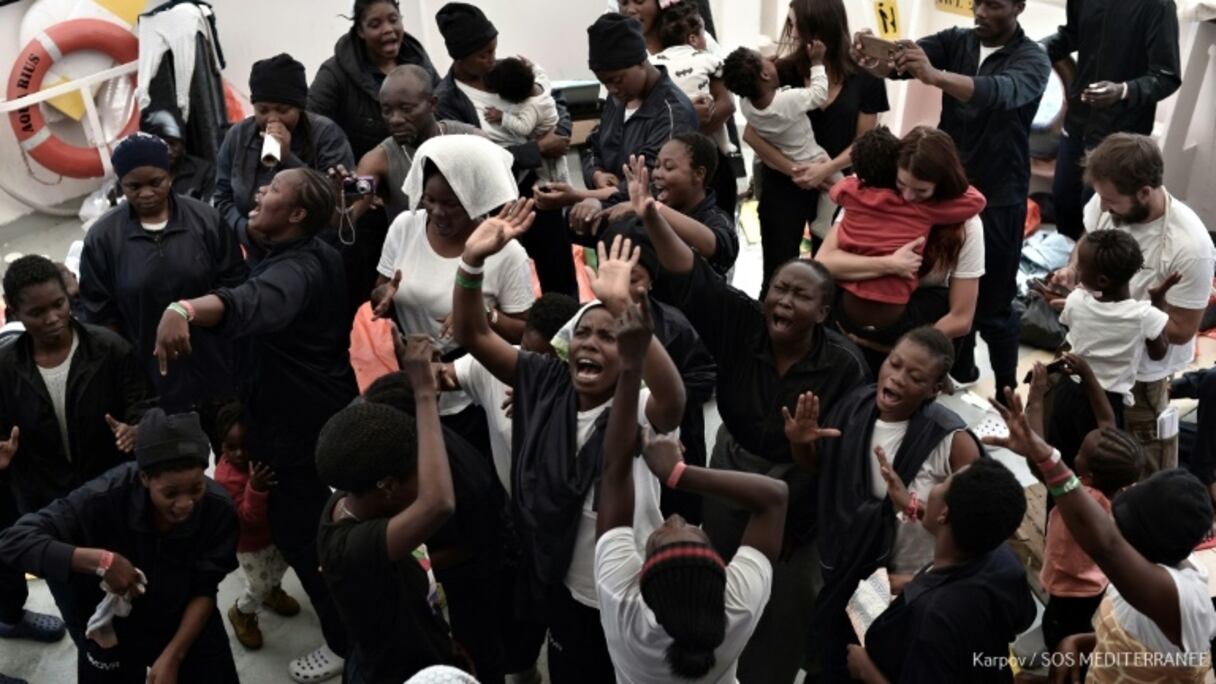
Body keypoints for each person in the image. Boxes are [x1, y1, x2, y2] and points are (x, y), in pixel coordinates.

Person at [634, 156, 869, 682]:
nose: (783, 300)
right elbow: (690, 274)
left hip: (800, 486)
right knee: (715, 573)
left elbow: (832, 466)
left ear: (824, 313)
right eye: (778, 289)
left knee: (783, 601)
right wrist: (651, 214)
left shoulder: (844, 367)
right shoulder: (742, 323)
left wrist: (803, 451)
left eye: (800, 295)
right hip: (731, 461)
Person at [453, 207, 686, 683]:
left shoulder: (637, 406)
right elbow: (473, 334)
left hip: (624, 589)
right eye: (582, 333)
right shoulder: (543, 381)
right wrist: (471, 262)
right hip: (558, 578)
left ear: (631, 355)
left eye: (609, 336)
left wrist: (625, 309)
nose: (591, 344)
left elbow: (674, 398)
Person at [154, 167, 358, 683]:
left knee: (306, 534)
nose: (259, 192)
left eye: (272, 191)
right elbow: (236, 215)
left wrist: (183, 308)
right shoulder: (299, 242)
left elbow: (250, 303)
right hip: (320, 409)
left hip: (298, 429)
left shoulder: (297, 271)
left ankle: (343, 642)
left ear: (295, 215)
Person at [854, 0, 1051, 395]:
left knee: (994, 303)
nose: (978, 12)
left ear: (1018, 7)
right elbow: (907, 58)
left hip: (998, 196)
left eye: (992, 6)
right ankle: (958, 371)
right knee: (944, 290)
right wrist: (881, 60)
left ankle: (1007, 391)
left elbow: (998, 92)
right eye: (976, 2)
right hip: (946, 190)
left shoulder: (1033, 60)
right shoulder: (956, 40)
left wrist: (934, 76)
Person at [593, 298, 786, 683]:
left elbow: (613, 470)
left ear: (642, 578)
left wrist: (631, 366)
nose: (675, 517)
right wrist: (676, 473)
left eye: (661, 533)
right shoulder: (736, 604)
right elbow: (775, 496)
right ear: (721, 578)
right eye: (694, 531)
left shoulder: (624, 603)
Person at [986, 388, 1216, 683]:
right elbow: (1131, 639)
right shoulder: (1142, 579)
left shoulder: (1181, 596)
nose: (1112, 524)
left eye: (1122, 524)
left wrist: (1043, 454)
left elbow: (1105, 544)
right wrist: (1079, 643)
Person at [0, 409, 240, 683]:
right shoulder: (103, 497)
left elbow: (205, 589)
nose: (185, 504)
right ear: (144, 477)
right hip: (112, 627)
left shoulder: (218, 509)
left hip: (184, 620)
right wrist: (101, 562)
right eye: (170, 493)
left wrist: (174, 655)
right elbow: (14, 541)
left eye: (196, 489)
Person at [0, 255, 153, 659]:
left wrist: (137, 428)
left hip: (111, 498)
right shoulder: (4, 368)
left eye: (59, 305)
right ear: (13, 313)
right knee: (78, 607)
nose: (52, 318)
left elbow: (144, 404)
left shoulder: (110, 349)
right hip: (46, 510)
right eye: (37, 312)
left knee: (134, 593)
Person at [809, 327, 982, 679]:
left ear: (935, 389)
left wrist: (911, 504)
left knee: (880, 658)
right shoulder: (855, 407)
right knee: (835, 655)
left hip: (907, 580)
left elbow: (977, 519)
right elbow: (824, 473)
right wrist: (800, 441)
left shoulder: (952, 441)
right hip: (851, 563)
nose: (897, 378)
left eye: (915, 376)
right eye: (894, 364)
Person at [1042, 133, 1215, 473]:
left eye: (1111, 201)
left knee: (1140, 468)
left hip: (1141, 378)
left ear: (1144, 192)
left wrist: (1125, 318)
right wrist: (1074, 269)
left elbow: (1181, 331)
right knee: (1073, 451)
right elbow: (1088, 240)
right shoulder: (1105, 201)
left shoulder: (1188, 246)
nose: (1103, 206)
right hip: (1086, 356)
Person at [368, 134, 535, 456]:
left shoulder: (506, 252)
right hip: (417, 384)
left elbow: (524, 331)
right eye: (430, 200)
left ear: (476, 200)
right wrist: (384, 296)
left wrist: (480, 317)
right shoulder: (406, 227)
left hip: (476, 395)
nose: (437, 212)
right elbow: (380, 292)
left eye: (451, 204)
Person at [315, 341, 463, 683]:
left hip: (425, 647)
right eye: (418, 471)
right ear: (389, 486)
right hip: (393, 671)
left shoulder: (352, 495)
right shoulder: (351, 547)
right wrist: (425, 395)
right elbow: (438, 502)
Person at [80, 132, 246, 417]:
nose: (146, 193)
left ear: (169, 175)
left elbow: (234, 286)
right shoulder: (103, 239)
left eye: (155, 182)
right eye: (134, 186)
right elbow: (100, 316)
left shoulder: (205, 221)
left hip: (217, 369)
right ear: (121, 184)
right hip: (154, 382)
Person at [361, 370, 510, 684]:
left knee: (478, 647)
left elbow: (477, 545)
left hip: (477, 573)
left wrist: (406, 561)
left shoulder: (466, 482)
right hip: (443, 560)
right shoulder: (411, 449)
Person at [432, 2, 578, 297]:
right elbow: (472, 158)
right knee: (508, 288)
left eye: (494, 50)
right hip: (495, 207)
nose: (492, 59)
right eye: (483, 54)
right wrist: (537, 149)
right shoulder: (448, 101)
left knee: (559, 279)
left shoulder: (505, 73)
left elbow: (551, 100)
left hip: (540, 195)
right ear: (459, 57)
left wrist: (559, 132)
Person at [844, 459, 1035, 683]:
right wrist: (915, 582)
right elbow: (1025, 618)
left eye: (944, 483)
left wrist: (866, 670)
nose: (936, 487)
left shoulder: (931, 621)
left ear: (944, 514)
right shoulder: (1004, 558)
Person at [816, 127, 986, 375]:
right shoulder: (873, 197)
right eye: (901, 184)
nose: (907, 197)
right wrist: (890, 264)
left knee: (939, 299)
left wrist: (901, 351)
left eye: (921, 191)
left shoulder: (965, 224)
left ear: (943, 187)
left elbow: (961, 318)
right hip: (851, 321)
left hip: (908, 334)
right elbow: (823, 263)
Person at [327, 65, 483, 328]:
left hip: (472, 265)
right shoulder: (379, 161)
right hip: (415, 284)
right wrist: (339, 200)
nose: (395, 119)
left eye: (406, 109)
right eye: (387, 110)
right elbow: (347, 217)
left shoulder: (470, 139)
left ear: (432, 103)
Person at [746, 0, 889, 250]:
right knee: (776, 272)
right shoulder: (784, 70)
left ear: (816, 27)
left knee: (827, 273)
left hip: (835, 185)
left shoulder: (866, 78)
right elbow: (752, 134)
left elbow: (863, 143)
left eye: (794, 24)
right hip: (784, 184)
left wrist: (825, 170)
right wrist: (795, 170)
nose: (790, 32)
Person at [1023, 356, 1143, 653]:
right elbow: (1107, 422)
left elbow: (1038, 455)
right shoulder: (1124, 489)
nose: (1075, 451)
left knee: (1062, 639)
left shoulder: (1077, 500)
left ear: (1086, 473)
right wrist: (1089, 377)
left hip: (1069, 591)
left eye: (1080, 452)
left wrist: (1036, 398)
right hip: (1100, 581)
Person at [1043, 0, 1182, 240]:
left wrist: (1124, 90)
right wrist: (1036, 48)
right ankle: (1066, 271)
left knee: (1099, 224)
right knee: (1064, 203)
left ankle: (1088, 273)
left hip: (1119, 139)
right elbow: (1071, 35)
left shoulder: (1158, 6)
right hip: (1077, 123)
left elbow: (1167, 76)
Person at [1048, 230, 1173, 466]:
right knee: (1099, 466)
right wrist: (1158, 302)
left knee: (1061, 459)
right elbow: (1159, 353)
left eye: (1080, 267)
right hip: (1105, 403)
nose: (1077, 272)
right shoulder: (1144, 315)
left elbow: (1071, 320)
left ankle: (1057, 501)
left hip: (1067, 391)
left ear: (1102, 281)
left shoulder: (1076, 300)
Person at [723, 41, 838, 289]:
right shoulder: (788, 100)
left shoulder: (747, 105)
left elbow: (752, 130)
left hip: (784, 163)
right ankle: (822, 225)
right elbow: (819, 95)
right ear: (765, 74)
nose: (771, 60)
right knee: (839, 188)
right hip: (813, 157)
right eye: (765, 61)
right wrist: (818, 63)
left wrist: (764, 66)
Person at [442, 292, 582, 494]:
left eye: (547, 361)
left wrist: (547, 402)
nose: (532, 367)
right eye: (527, 352)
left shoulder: (588, 394)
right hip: (515, 513)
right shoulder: (499, 364)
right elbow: (436, 376)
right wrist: (409, 354)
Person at [214, 53, 355, 251]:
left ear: (299, 107)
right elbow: (221, 197)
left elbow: (335, 204)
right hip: (256, 253)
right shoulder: (238, 136)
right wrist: (246, 229)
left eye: (282, 110)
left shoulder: (327, 135)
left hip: (312, 253)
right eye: (263, 110)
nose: (272, 119)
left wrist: (288, 158)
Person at [570, 12, 698, 222]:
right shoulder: (618, 98)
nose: (611, 89)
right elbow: (594, 146)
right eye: (604, 83)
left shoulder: (672, 113)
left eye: (617, 80)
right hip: (611, 214)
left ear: (641, 61)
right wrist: (596, 175)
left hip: (655, 227)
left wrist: (586, 197)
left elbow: (653, 186)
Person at [622, 0, 739, 219]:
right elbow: (627, 118)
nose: (630, 9)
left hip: (709, 162)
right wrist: (684, 119)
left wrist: (684, 131)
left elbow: (727, 103)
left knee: (717, 231)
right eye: (622, 2)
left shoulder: (697, 35)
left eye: (638, 1)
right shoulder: (623, 51)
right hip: (657, 168)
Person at [575, 135, 738, 283]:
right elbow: (616, 203)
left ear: (698, 174)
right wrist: (593, 202)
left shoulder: (717, 219)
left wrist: (653, 209)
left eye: (668, 167)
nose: (657, 174)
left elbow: (713, 244)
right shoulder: (651, 194)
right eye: (657, 166)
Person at [211, 401, 301, 650]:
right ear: (221, 447)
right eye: (232, 447)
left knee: (281, 565)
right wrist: (255, 488)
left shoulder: (261, 461)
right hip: (250, 544)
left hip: (274, 534)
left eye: (245, 446)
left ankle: (274, 592)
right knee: (258, 585)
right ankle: (241, 611)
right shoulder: (225, 478)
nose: (240, 453)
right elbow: (247, 517)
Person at [308, 0, 440, 160]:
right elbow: (311, 126)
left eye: (393, 20)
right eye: (375, 25)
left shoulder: (419, 61)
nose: (388, 29)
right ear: (361, 31)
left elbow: (443, 111)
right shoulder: (334, 73)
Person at [652, 2, 734, 158]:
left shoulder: (654, 62)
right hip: (704, 113)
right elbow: (724, 69)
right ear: (693, 39)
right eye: (704, 34)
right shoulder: (705, 58)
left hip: (670, 118)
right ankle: (726, 146)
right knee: (712, 112)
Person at [483, 57, 569, 184]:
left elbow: (524, 128)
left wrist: (503, 117)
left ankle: (548, 184)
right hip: (554, 133)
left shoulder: (531, 107)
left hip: (544, 137)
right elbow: (541, 72)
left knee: (548, 171)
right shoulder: (542, 84)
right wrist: (531, 65)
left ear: (515, 99)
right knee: (560, 168)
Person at [141, 109, 215, 202]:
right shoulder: (138, 175)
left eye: (173, 144)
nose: (168, 150)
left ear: (182, 145)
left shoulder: (203, 172)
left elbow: (211, 211)